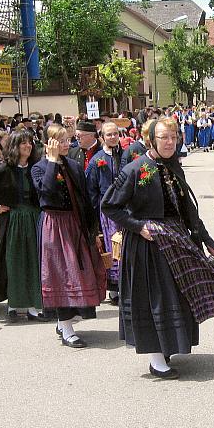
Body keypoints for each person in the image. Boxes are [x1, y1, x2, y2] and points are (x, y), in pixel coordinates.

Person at [102, 117, 214, 379]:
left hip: (176, 238)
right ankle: (156, 359)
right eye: (164, 138)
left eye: (173, 137)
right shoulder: (135, 169)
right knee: (155, 299)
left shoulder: (173, 166)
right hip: (148, 243)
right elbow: (109, 205)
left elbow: (187, 208)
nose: (170, 142)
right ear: (151, 140)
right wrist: (137, 226)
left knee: (177, 296)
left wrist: (206, 240)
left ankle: (166, 349)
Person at [31, 124, 106, 348]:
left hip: (74, 224)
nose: (66, 144)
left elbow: (85, 199)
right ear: (49, 144)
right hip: (54, 225)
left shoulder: (74, 165)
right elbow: (46, 194)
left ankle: (64, 321)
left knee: (78, 273)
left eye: (67, 140)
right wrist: (52, 162)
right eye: (61, 141)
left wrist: (94, 230)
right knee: (60, 275)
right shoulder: (38, 168)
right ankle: (66, 328)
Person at [0, 130, 47, 322]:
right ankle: (14, 305)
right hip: (13, 220)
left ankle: (33, 306)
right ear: (15, 146)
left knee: (34, 262)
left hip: (33, 219)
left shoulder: (35, 167)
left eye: (30, 142)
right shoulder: (4, 169)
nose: (28, 146)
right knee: (14, 262)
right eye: (23, 143)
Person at [86, 121, 122, 305]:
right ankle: (113, 288)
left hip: (124, 208)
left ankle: (126, 284)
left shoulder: (126, 155)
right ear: (102, 137)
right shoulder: (96, 160)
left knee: (124, 246)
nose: (113, 137)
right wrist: (93, 219)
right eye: (109, 134)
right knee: (110, 247)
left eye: (115, 134)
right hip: (106, 210)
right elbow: (90, 190)